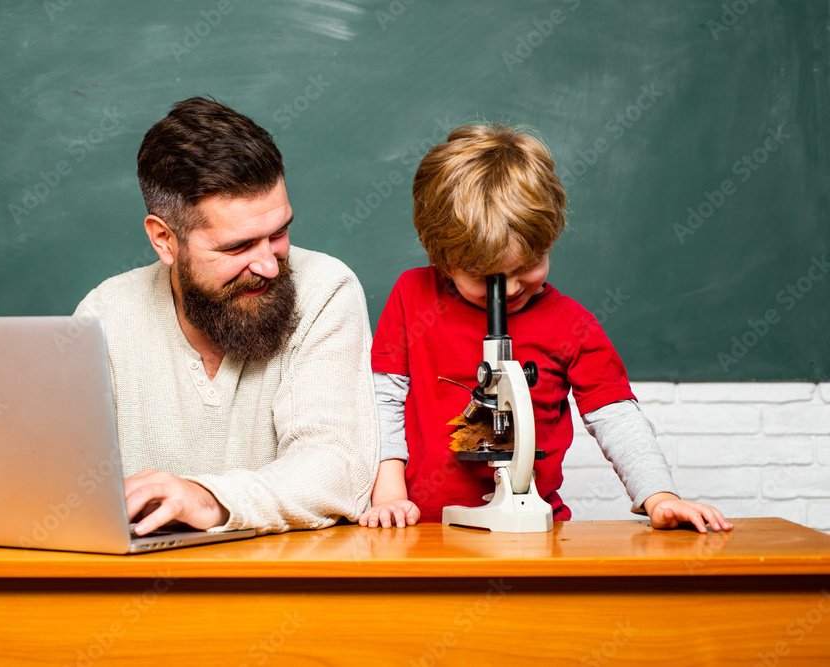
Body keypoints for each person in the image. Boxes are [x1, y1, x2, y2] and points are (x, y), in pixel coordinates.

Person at [359, 123, 733, 534]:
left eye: (527, 266)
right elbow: (384, 401)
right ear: (444, 258)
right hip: (420, 531)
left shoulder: (572, 324)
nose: (513, 287)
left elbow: (614, 415)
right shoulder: (413, 295)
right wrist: (390, 495)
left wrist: (659, 496)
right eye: (489, 277)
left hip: (534, 531)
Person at [74, 97, 378, 535]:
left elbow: (338, 468)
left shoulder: (327, 289)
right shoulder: (103, 313)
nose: (270, 265)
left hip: (287, 588)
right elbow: (66, 487)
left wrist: (210, 500)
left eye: (279, 233)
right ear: (164, 239)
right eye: (237, 247)